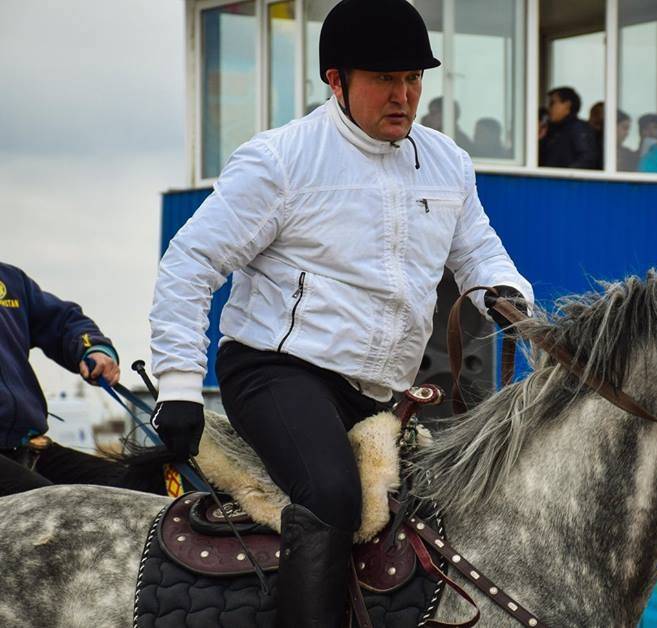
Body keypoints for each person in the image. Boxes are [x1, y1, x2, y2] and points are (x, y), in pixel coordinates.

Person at [147, 0, 534, 625]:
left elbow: (480, 252)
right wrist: (180, 386)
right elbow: (189, 264)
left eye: (413, 79)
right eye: (385, 79)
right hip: (276, 371)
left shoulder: (448, 163)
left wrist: (505, 292)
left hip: (382, 390)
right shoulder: (278, 161)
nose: (404, 96)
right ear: (335, 80)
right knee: (332, 496)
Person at [0, 262, 125, 497]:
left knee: (131, 485)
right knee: (55, 508)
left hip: (27, 446)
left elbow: (63, 321)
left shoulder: (10, 280)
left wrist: (92, 350)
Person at [538, 86, 600, 169]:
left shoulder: (578, 128)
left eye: (552, 103)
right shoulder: (551, 130)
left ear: (567, 105)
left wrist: (565, 175)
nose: (549, 108)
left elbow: (587, 159)